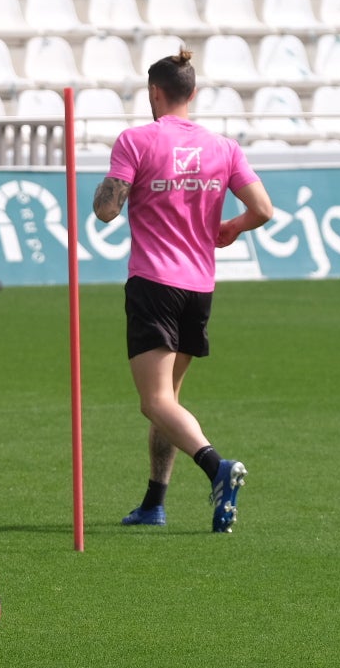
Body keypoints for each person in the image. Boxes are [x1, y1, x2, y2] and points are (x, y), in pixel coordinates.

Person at [92, 49, 275, 533]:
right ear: (192, 93)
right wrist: (231, 227)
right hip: (199, 286)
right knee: (169, 401)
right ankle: (154, 502)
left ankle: (217, 467)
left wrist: (112, 187)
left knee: (154, 402)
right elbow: (263, 208)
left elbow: (107, 210)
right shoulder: (224, 147)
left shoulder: (136, 140)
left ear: (154, 93)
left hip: (154, 282)